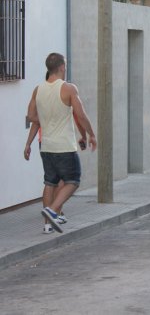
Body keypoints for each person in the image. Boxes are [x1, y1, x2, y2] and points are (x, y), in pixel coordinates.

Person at [25, 52, 97, 234]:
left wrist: (30, 140)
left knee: (50, 182)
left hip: (46, 146)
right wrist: (91, 134)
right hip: (64, 145)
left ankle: (47, 225)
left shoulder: (38, 89)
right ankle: (52, 210)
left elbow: (31, 117)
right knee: (73, 181)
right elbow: (80, 115)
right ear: (62, 67)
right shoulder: (68, 89)